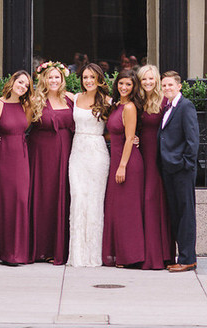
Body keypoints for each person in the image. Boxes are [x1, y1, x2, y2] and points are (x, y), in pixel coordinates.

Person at [28, 61, 74, 265]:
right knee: (42, 197)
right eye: (50, 76)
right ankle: (40, 248)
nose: (54, 80)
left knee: (62, 196)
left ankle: (59, 248)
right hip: (40, 153)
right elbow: (19, 124)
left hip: (67, 152)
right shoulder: (34, 100)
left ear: (63, 79)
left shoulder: (72, 99)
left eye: (57, 77)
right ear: (43, 79)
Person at [67, 63, 111, 267]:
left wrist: (132, 138)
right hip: (77, 152)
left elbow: (117, 127)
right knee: (77, 199)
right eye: (85, 77)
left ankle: (93, 255)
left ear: (99, 79)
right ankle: (76, 255)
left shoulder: (108, 101)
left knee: (94, 201)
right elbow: (48, 92)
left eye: (92, 77)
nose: (88, 81)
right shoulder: (74, 98)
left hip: (97, 152)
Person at [0, 70, 33, 266]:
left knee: (21, 201)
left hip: (22, 157)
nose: (22, 86)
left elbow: (26, 127)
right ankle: (6, 252)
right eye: (20, 82)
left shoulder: (27, 105)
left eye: (26, 85)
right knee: (5, 202)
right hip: (3, 157)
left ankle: (18, 252)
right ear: (13, 81)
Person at [102, 69, 145, 267]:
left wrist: (122, 166)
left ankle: (131, 256)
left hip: (127, 163)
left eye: (128, 84)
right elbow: (113, 134)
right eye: (121, 83)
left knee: (128, 211)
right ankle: (120, 254)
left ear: (134, 87)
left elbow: (129, 138)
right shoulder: (116, 105)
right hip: (116, 161)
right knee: (117, 210)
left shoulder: (129, 107)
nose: (124, 87)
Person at [158, 70, 199, 272]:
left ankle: (188, 259)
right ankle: (181, 256)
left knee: (185, 214)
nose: (167, 88)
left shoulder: (185, 106)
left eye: (170, 85)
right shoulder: (167, 107)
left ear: (179, 86)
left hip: (182, 170)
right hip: (169, 169)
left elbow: (193, 140)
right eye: (164, 85)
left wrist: (186, 164)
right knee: (176, 214)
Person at [137, 64, 174, 270]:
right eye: (144, 79)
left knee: (155, 199)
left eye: (151, 79)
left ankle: (160, 255)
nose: (148, 82)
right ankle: (146, 253)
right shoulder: (139, 100)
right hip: (142, 154)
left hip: (160, 156)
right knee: (144, 200)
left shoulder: (166, 100)